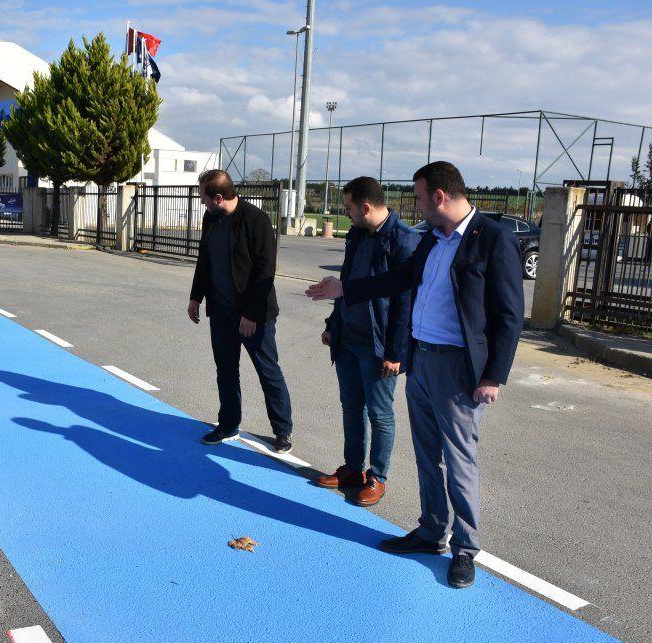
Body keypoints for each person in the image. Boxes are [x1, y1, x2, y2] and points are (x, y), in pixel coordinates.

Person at [306, 161, 524, 588]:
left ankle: (465, 549)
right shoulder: (431, 239)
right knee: (427, 455)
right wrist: (345, 288)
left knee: (459, 460)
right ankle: (431, 530)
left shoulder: (493, 238)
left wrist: (493, 376)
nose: (417, 206)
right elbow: (400, 280)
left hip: (458, 368)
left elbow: (510, 315)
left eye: (420, 197)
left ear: (439, 196)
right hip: (420, 360)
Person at [317, 177, 418, 506]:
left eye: (348, 207)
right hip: (349, 339)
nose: (346, 212)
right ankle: (352, 469)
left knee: (380, 413)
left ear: (365, 207)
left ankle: (377, 477)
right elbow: (345, 285)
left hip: (378, 346)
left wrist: (394, 352)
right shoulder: (357, 235)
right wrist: (333, 324)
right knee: (351, 408)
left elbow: (404, 303)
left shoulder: (404, 240)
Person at [187, 169, 293, 453]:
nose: (202, 202)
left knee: (268, 371)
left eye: (204, 197)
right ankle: (228, 425)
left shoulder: (256, 220)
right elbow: (204, 261)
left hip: (254, 316)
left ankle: (282, 431)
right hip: (221, 312)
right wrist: (196, 297)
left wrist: (251, 315)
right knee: (226, 371)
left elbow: (265, 271)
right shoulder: (211, 218)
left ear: (218, 197)